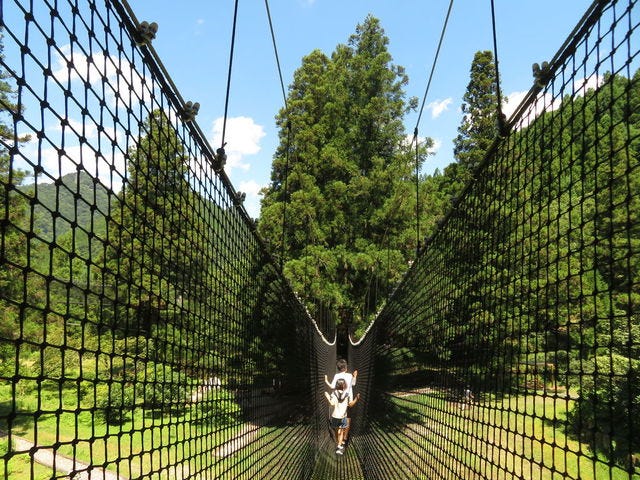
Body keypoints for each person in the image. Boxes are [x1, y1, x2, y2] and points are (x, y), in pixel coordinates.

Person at [324, 378, 360, 455]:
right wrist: (356, 399)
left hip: (335, 416)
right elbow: (350, 405)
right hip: (343, 416)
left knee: (338, 431)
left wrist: (327, 396)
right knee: (341, 431)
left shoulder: (334, 394)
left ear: (337, 385)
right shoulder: (347, 395)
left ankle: (338, 445)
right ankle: (339, 445)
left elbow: (332, 403)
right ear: (344, 385)